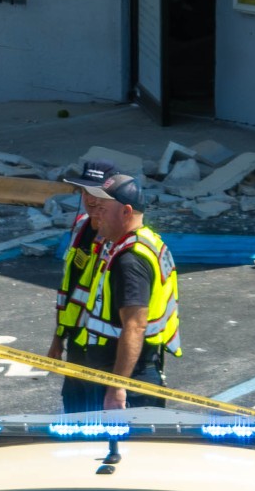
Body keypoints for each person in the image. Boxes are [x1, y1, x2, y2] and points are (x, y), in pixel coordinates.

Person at [61, 171, 180, 412]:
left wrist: (117, 386)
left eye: (103, 208)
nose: (96, 214)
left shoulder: (130, 260)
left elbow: (135, 326)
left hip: (126, 378)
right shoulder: (140, 243)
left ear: (126, 211)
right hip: (126, 371)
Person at [46, 160, 112, 413]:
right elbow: (69, 290)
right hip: (77, 342)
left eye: (98, 193)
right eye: (86, 192)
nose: (92, 200)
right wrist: (57, 339)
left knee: (99, 416)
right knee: (73, 410)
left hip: (103, 348)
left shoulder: (118, 236)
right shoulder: (81, 227)